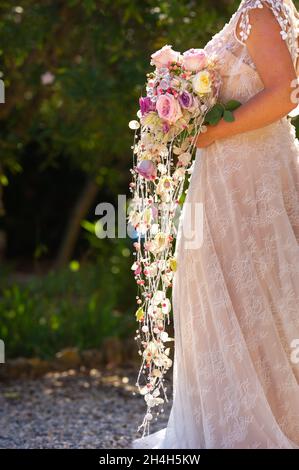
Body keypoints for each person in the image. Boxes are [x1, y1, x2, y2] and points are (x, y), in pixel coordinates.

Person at [132, 0, 299, 449]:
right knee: (245, 294)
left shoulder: (259, 10)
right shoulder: (264, 8)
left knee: (251, 292)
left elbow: (287, 92)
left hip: (246, 178)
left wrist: (214, 131)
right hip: (236, 176)